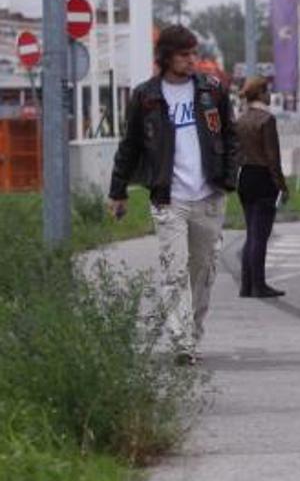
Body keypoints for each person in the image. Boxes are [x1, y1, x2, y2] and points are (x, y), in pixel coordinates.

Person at [108, 24, 238, 364]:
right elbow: (130, 145)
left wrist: (228, 178)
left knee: (202, 270)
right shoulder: (146, 96)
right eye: (184, 54)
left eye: (195, 53)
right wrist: (117, 190)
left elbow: (231, 135)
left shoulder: (212, 91)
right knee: (174, 271)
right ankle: (182, 343)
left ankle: (192, 332)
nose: (192, 60)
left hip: (208, 195)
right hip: (169, 198)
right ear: (166, 57)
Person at [234, 77, 289, 298]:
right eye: (267, 91)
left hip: (245, 177)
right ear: (261, 93)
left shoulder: (240, 120)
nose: (269, 95)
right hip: (264, 177)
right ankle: (259, 285)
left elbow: (236, 154)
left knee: (251, 233)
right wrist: (282, 186)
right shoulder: (267, 120)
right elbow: (272, 158)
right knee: (260, 235)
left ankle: (246, 285)